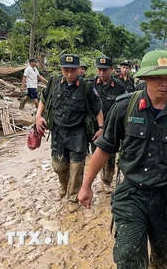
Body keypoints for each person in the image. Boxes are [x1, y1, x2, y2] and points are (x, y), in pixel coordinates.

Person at [78, 49, 167, 269]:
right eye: (157, 77)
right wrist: (86, 185)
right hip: (133, 194)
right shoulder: (125, 107)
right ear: (144, 78)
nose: (164, 83)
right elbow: (105, 148)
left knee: (165, 256)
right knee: (128, 256)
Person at [35, 54, 104, 213]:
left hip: (78, 132)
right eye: (66, 70)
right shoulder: (53, 83)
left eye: (73, 70)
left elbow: (97, 109)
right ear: (61, 69)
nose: (70, 73)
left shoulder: (86, 86)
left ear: (79, 69)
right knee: (58, 165)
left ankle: (73, 196)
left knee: (77, 166)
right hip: (58, 131)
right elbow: (43, 99)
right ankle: (63, 184)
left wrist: (101, 128)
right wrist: (38, 116)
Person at [89, 56, 126, 193]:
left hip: (112, 128)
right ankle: (96, 177)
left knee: (110, 156)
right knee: (95, 153)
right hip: (94, 127)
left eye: (105, 70)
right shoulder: (90, 84)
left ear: (111, 69)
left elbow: (125, 108)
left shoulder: (119, 87)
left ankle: (106, 180)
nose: (102, 73)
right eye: (99, 70)